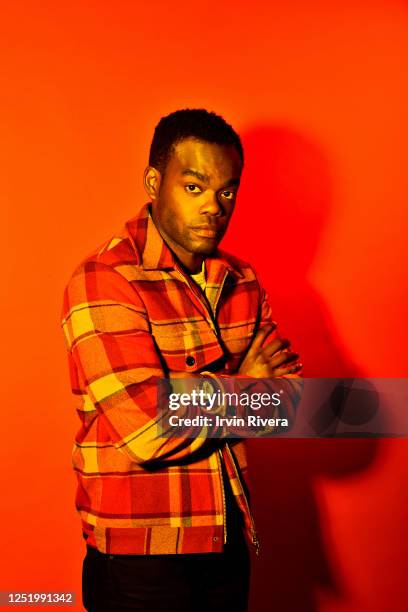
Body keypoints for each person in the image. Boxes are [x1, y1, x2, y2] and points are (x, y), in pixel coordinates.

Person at [61, 109, 302, 611]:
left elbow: (293, 404)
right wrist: (247, 381)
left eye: (227, 191)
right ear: (154, 182)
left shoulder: (242, 280)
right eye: (194, 187)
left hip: (228, 538)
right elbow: (146, 429)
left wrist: (189, 395)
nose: (214, 206)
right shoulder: (105, 281)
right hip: (140, 556)